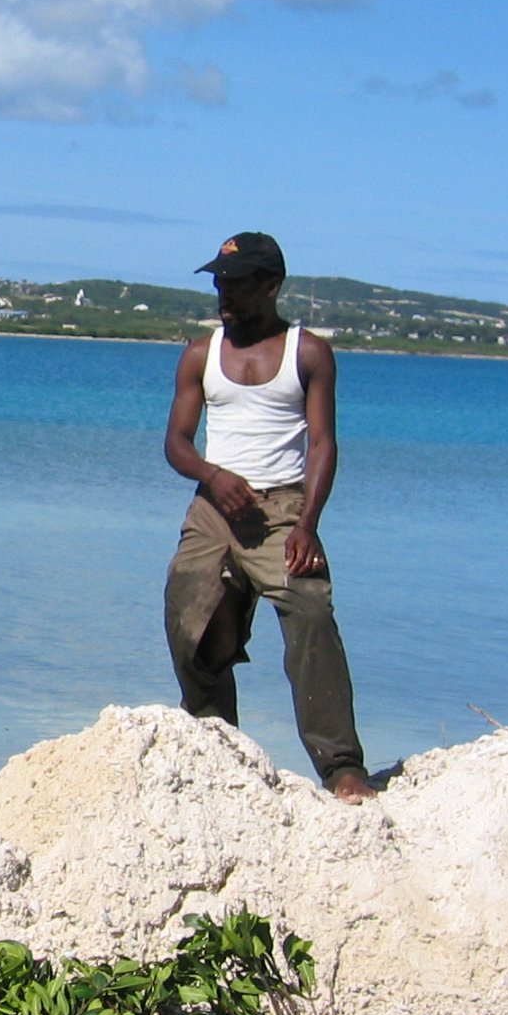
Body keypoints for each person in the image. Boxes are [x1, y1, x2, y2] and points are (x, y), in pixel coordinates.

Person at [163, 232, 373, 804]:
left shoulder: (307, 353)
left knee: (308, 606)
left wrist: (307, 523)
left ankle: (341, 765)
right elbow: (176, 443)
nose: (222, 295)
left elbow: (324, 445)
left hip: (282, 506)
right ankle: (215, 745)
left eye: (235, 284)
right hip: (214, 504)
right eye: (218, 283)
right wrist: (211, 474)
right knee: (189, 618)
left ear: (272, 286)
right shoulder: (201, 354)